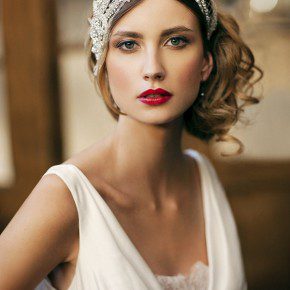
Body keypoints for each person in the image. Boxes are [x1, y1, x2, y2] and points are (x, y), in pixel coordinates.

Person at [0, 0, 263, 289]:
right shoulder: (67, 196)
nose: (153, 70)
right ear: (104, 62)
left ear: (205, 63)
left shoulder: (202, 177)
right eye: (128, 45)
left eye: (176, 41)